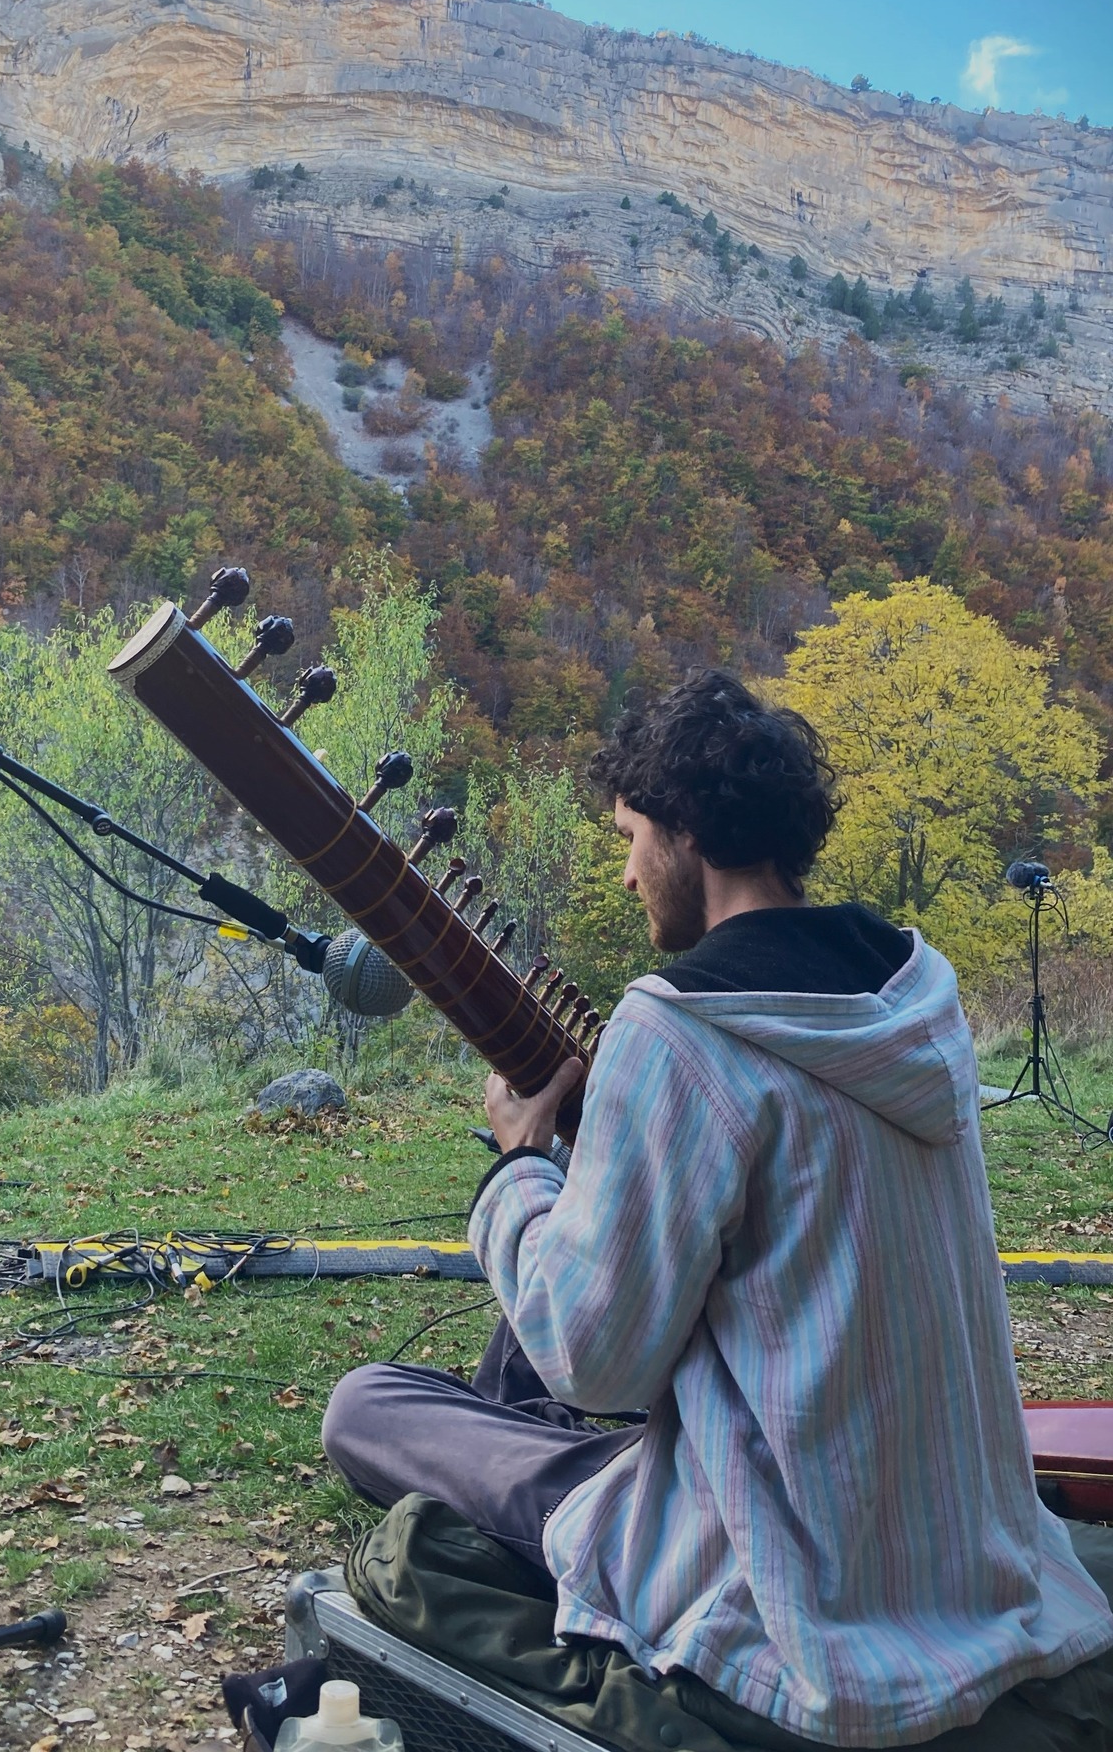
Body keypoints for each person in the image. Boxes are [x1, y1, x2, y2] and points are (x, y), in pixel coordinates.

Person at [322, 670, 1113, 1747]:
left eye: (630, 838)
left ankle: (572, 1482)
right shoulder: (916, 993)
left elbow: (595, 1366)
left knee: (367, 1405)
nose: (627, 871)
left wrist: (519, 1166)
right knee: (536, 1331)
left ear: (686, 831)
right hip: (951, 1536)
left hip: (784, 1569)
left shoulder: (680, 1030)